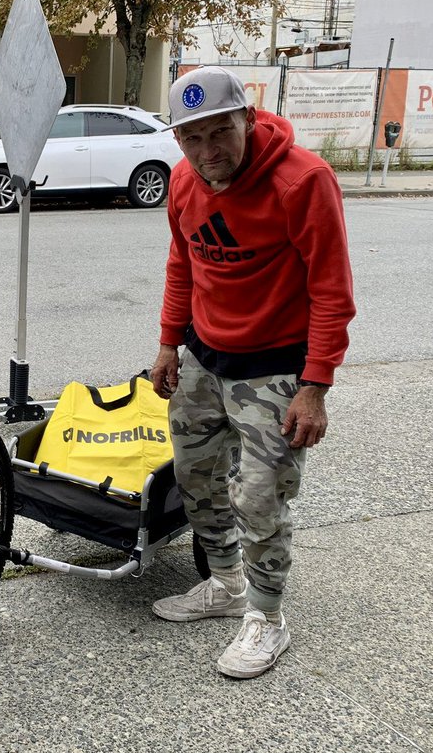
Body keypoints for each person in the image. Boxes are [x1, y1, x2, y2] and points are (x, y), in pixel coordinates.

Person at [149, 65, 355, 679]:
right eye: (192, 139)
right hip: (203, 357)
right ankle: (226, 582)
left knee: (261, 495)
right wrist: (167, 346)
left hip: (276, 367)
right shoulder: (184, 180)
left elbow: (332, 290)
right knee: (196, 476)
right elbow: (182, 265)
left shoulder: (303, 181)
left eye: (221, 133)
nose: (208, 153)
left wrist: (315, 388)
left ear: (248, 119)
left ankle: (267, 616)